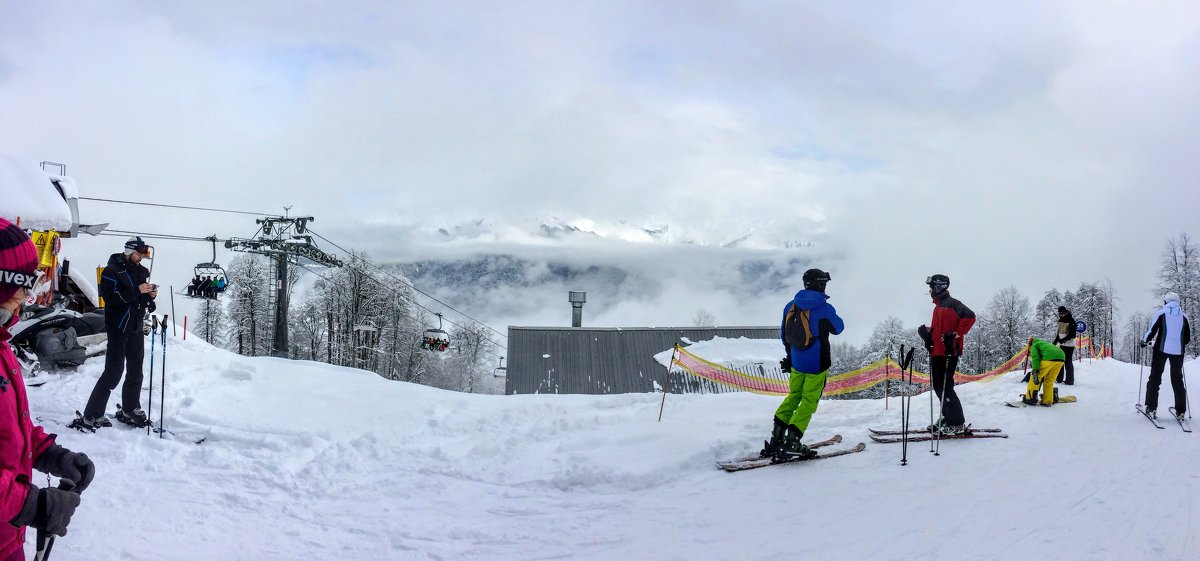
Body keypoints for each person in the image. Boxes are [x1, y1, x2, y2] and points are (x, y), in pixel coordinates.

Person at [0, 218, 94, 556]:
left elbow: (9, 429)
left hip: (7, 536)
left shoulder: (0, 346)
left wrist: (49, 454)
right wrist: (35, 505)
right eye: (24, 281)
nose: (27, 293)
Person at [760, 268, 844, 461]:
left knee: (793, 396)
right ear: (821, 285)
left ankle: (777, 439)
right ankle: (793, 442)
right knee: (809, 401)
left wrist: (790, 359)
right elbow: (839, 328)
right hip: (817, 364)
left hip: (796, 362)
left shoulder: (790, 306)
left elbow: (784, 336)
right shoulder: (824, 308)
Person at [74, 237, 157, 430]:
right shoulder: (111, 271)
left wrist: (149, 296)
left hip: (135, 326)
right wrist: (137, 291)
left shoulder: (141, 271)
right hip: (119, 327)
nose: (140, 259)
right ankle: (92, 415)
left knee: (136, 370)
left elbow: (140, 300)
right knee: (113, 371)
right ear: (128, 252)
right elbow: (110, 298)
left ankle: (130, 409)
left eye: (142, 256)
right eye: (138, 254)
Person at [918, 274, 976, 435]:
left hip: (949, 351)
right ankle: (948, 417)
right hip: (937, 351)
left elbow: (970, 317)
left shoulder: (953, 304)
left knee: (946, 387)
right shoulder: (938, 307)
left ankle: (957, 423)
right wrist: (928, 335)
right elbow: (940, 329)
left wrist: (956, 334)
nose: (929, 290)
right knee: (938, 387)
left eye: (931, 287)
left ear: (938, 287)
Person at [1141, 292, 1191, 420]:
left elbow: (1152, 330)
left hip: (1161, 350)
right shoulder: (1184, 316)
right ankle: (1181, 411)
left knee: (1155, 378)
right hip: (1178, 352)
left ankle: (1151, 408)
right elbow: (1187, 338)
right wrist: (1178, 345)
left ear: (1166, 302)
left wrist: (1144, 341)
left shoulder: (1161, 313)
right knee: (1177, 380)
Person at [1023, 337, 1066, 406]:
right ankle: (1047, 400)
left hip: (1049, 357)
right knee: (1049, 380)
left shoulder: (1034, 345)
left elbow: (1035, 358)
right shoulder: (1044, 344)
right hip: (1061, 357)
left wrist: (1035, 370)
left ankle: (1030, 398)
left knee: (1036, 377)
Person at [1053, 306, 1077, 385]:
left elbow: (1072, 335)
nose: (1061, 315)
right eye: (1059, 314)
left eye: (1062, 314)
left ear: (1065, 312)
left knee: (1068, 362)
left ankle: (1070, 380)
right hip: (1062, 344)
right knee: (1060, 361)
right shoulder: (1061, 320)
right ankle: (1059, 379)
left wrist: (1064, 339)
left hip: (1069, 345)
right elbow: (1059, 333)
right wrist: (1055, 342)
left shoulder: (1071, 321)